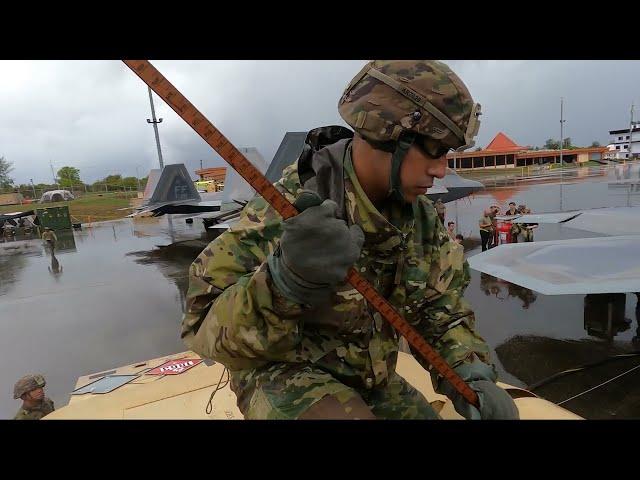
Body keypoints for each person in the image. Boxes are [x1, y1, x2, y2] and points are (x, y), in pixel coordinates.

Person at [181, 60, 518, 420]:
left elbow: (437, 312)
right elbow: (202, 329)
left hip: (370, 378)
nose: (440, 169)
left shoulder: (419, 220)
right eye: (433, 149)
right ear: (388, 133)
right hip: (286, 377)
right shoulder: (291, 209)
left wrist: (470, 374)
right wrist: (285, 282)